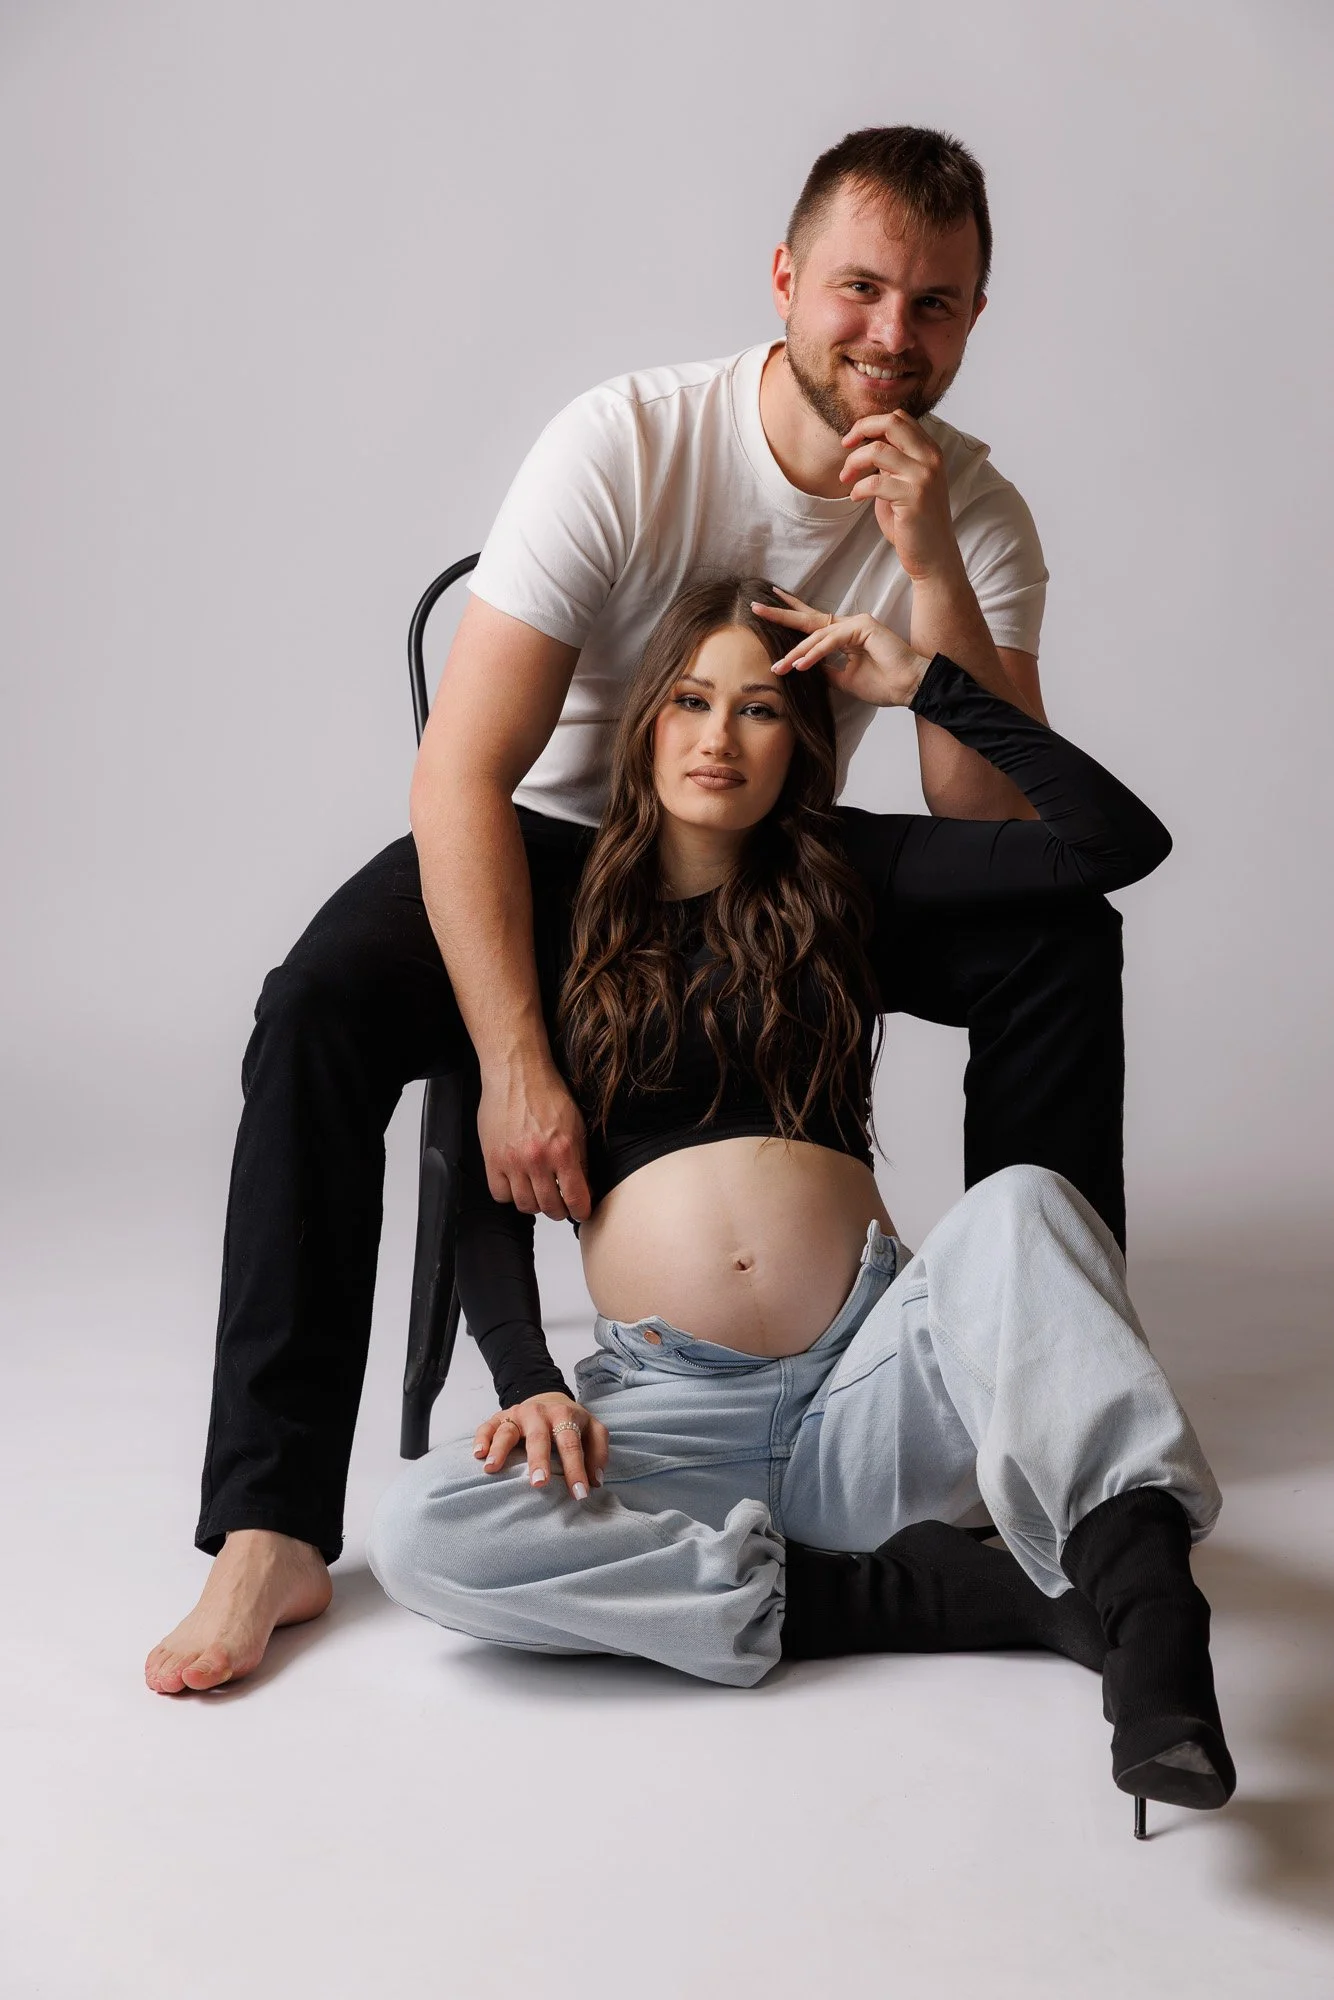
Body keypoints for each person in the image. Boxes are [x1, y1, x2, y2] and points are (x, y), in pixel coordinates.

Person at [146, 125, 1126, 1696]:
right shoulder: (628, 442)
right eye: (860, 288)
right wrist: (513, 1061)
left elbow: (984, 822)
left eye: (934, 303)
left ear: (972, 319)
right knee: (316, 1007)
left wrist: (929, 563)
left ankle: (1059, 1395)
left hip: (778, 849)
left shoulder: (974, 510)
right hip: (546, 840)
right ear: (785, 279)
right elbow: (460, 773)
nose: (892, 333)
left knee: (1057, 936)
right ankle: (268, 1524)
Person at [367, 576, 1235, 1816]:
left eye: (760, 709)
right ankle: (939, 1595)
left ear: (801, 741)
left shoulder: (845, 869)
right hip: (666, 1415)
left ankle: (1153, 1633)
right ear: (643, 723)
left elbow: (1114, 847)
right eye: (689, 700)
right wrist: (527, 1377)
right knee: (425, 1531)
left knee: (1024, 1203)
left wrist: (924, 682)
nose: (717, 737)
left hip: (875, 1390)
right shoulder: (545, 910)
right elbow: (478, 1185)